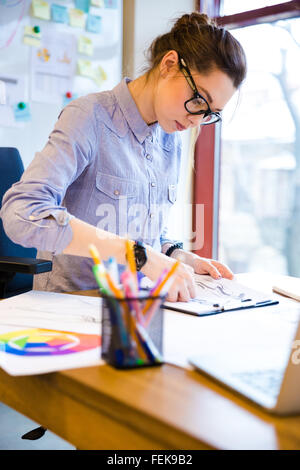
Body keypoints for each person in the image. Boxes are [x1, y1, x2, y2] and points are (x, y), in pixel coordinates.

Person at [0, 12, 246, 302]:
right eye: (199, 100)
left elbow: (144, 235)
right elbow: (21, 213)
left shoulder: (171, 138)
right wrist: (138, 256)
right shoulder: (89, 117)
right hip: (74, 307)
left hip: (140, 306)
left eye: (209, 113)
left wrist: (179, 258)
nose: (197, 120)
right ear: (169, 65)